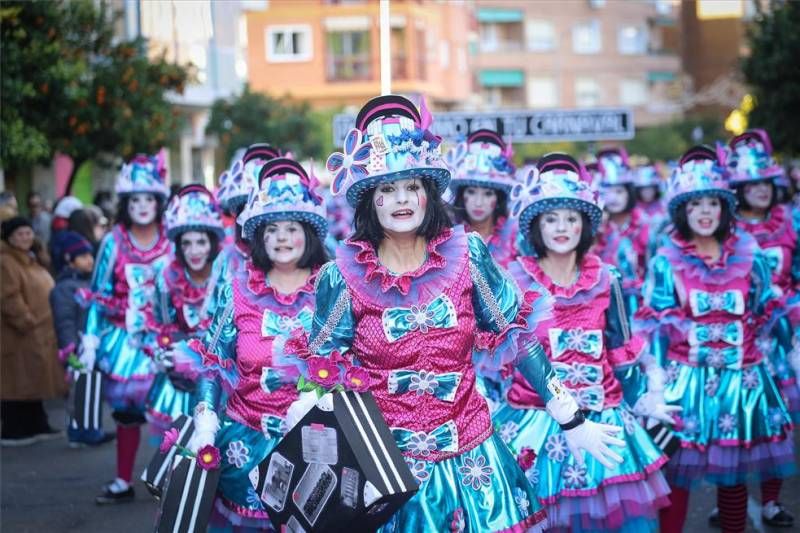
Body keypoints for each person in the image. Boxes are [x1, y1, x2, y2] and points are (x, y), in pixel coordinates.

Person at [290, 95, 623, 532]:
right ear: (369, 201)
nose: (401, 199)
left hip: (473, 460)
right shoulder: (342, 276)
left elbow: (516, 336)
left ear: (429, 193)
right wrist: (305, 410)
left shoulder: (468, 256)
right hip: (387, 472)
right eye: (387, 189)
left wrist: (568, 414)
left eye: (412, 186)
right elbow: (319, 367)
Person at [492, 154, 674, 532]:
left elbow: (621, 351)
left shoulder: (608, 278)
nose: (562, 227)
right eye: (551, 218)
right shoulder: (513, 284)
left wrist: (645, 396)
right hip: (537, 427)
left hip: (606, 419)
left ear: (586, 225)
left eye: (572, 218)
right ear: (534, 226)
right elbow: (508, 354)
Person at [636, 146, 796, 533]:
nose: (705, 212)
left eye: (713, 202)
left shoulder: (749, 254)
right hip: (685, 383)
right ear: (683, 211)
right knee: (675, 475)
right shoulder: (666, 259)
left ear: (725, 208)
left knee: (735, 475)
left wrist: (784, 353)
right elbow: (653, 327)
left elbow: (768, 310)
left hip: (742, 382)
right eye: (696, 205)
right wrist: (655, 388)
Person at [177, 156, 329, 530]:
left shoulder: (333, 288)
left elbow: (354, 361)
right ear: (257, 236)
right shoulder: (238, 291)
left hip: (318, 448)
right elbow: (212, 363)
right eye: (271, 228)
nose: (281, 238)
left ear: (308, 232)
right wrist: (206, 421)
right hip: (244, 447)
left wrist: (320, 395)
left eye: (291, 227)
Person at [703, 131, 798, 529]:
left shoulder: (791, 222)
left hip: (782, 337)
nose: (761, 190)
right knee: (739, 429)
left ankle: (772, 501)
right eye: (751, 184)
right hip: (738, 341)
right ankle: (733, 500)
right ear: (737, 189)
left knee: (777, 427)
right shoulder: (725, 229)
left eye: (766, 182)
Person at [79, 153, 171, 504]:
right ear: (126, 204)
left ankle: (166, 478)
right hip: (125, 345)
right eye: (136, 200)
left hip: (165, 340)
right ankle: (122, 480)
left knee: (172, 413)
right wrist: (89, 339)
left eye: (149, 199)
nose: (143, 206)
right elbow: (98, 293)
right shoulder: (113, 242)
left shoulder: (173, 239)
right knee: (128, 416)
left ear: (159, 202)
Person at [144, 184, 226, 438]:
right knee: (179, 450)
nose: (194, 251)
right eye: (187, 243)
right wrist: (165, 354)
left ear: (212, 242)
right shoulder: (167, 278)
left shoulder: (227, 274)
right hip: (179, 379)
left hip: (221, 377)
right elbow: (161, 327)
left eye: (201, 242)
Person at [1, 217, 65, 446]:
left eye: (28, 232)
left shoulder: (31, 259)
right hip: (20, 333)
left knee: (32, 380)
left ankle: (37, 423)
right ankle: (14, 429)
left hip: (39, 332)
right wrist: (26, 321)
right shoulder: (7, 262)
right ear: (9, 238)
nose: (25, 237)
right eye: (19, 234)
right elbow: (9, 297)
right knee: (17, 381)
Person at [49, 231, 114, 447]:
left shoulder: (90, 283)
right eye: (83, 256)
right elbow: (65, 320)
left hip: (93, 345)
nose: (90, 260)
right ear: (69, 259)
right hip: (78, 346)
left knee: (92, 388)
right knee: (81, 389)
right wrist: (70, 347)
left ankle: (88, 429)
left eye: (90, 255)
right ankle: (80, 431)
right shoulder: (64, 288)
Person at [592, 148, 651, 317]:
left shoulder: (645, 225)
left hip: (640, 304)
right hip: (602, 304)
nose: (613, 198)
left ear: (629, 192)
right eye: (607, 191)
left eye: (619, 191)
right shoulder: (596, 228)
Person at [448, 129, 519, 268]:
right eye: (471, 192)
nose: (478, 202)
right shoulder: (448, 235)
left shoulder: (515, 236)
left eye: (488, 194)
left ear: (498, 198)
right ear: (462, 195)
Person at [214, 143, 280, 276]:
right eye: (248, 208)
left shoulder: (297, 253)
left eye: (265, 208)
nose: (255, 217)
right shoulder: (226, 260)